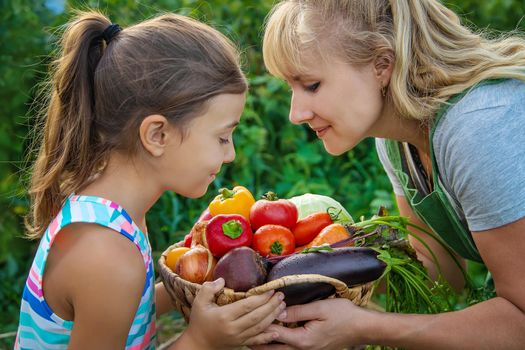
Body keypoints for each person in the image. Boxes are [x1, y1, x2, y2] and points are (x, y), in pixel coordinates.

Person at [257, 0, 525, 349]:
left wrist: (366, 326)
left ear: (381, 65)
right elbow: (440, 270)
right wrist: (310, 273)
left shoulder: (479, 128)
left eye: (311, 85)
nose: (296, 113)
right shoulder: (398, 139)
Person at [15, 10, 285, 350]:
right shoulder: (105, 252)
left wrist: (185, 291)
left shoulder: (113, 212)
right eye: (222, 137)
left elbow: (123, 313)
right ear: (157, 134)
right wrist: (201, 340)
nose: (230, 153)